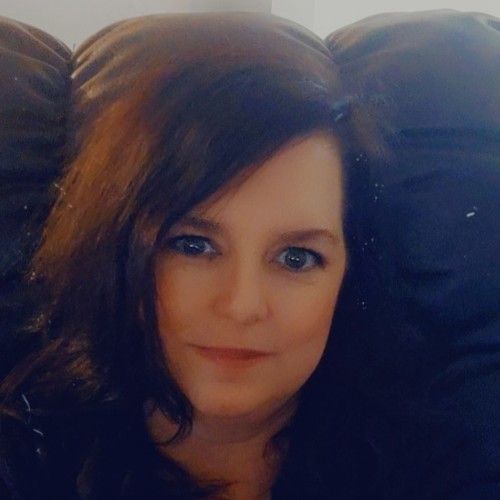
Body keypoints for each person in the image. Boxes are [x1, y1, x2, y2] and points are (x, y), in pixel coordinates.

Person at [0, 13, 380, 500]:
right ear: (117, 247)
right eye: (193, 246)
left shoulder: (426, 458)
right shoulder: (25, 458)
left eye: (296, 258)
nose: (242, 305)